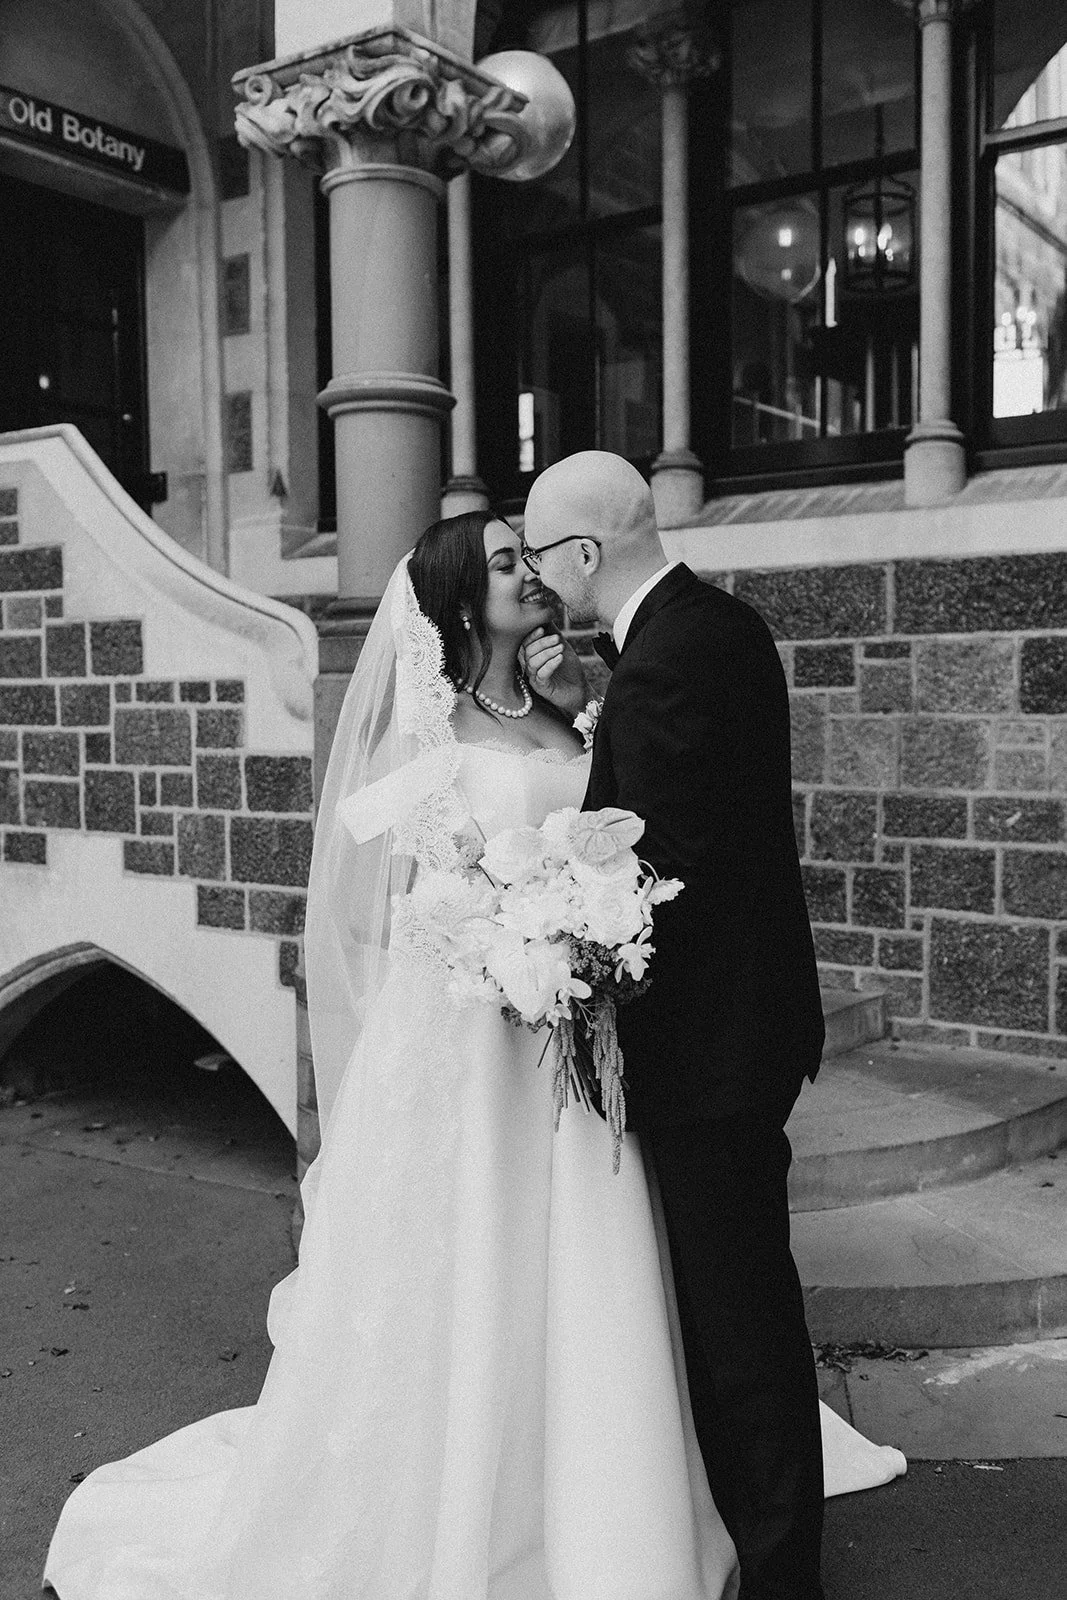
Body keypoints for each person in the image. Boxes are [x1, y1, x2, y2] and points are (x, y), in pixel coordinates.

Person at [43, 509, 903, 1600]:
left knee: (592, 1268)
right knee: (480, 1262)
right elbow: (397, 908)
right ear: (458, 597)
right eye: (505, 563)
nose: (529, 575)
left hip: (578, 1041)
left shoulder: (566, 707)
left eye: (531, 554)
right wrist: (501, 937)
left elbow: (614, 825)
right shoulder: (428, 738)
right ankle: (470, 1504)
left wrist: (572, 825)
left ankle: (610, 1494)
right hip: (479, 1032)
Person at [521, 451, 840, 1600]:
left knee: (738, 1323)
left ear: (586, 554)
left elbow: (654, 856)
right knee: (740, 1298)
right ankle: (765, 1541)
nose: (543, 581)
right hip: (755, 1021)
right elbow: (684, 779)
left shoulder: (662, 663)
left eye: (543, 554)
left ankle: (780, 1574)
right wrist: (588, 715)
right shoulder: (719, 627)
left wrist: (543, 887)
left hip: (710, 1048)